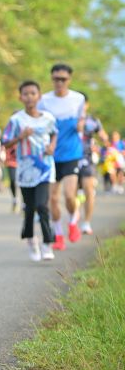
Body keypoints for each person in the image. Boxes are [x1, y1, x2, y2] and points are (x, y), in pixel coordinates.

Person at [2, 80, 57, 261]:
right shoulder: (16, 120)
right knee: (30, 208)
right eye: (25, 94)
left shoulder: (48, 118)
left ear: (39, 96)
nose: (29, 97)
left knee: (42, 205)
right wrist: (21, 137)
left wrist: (52, 147)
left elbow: (54, 133)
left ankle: (48, 242)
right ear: (20, 97)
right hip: (25, 170)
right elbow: (5, 142)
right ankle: (31, 240)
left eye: (33, 93)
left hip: (45, 168)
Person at [38, 64, 85, 251]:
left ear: (69, 80)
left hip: (72, 153)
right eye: (56, 79)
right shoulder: (44, 100)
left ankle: (73, 221)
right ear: (52, 79)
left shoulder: (78, 99)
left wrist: (81, 124)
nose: (59, 82)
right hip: (51, 156)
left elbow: (81, 119)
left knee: (69, 196)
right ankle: (58, 235)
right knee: (53, 199)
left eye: (63, 79)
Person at [77, 93, 108, 234]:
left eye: (82, 103)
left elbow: (103, 136)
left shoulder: (93, 121)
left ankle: (86, 223)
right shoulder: (68, 119)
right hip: (70, 159)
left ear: (87, 104)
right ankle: (74, 217)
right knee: (70, 194)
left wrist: (103, 139)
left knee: (89, 190)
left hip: (87, 160)